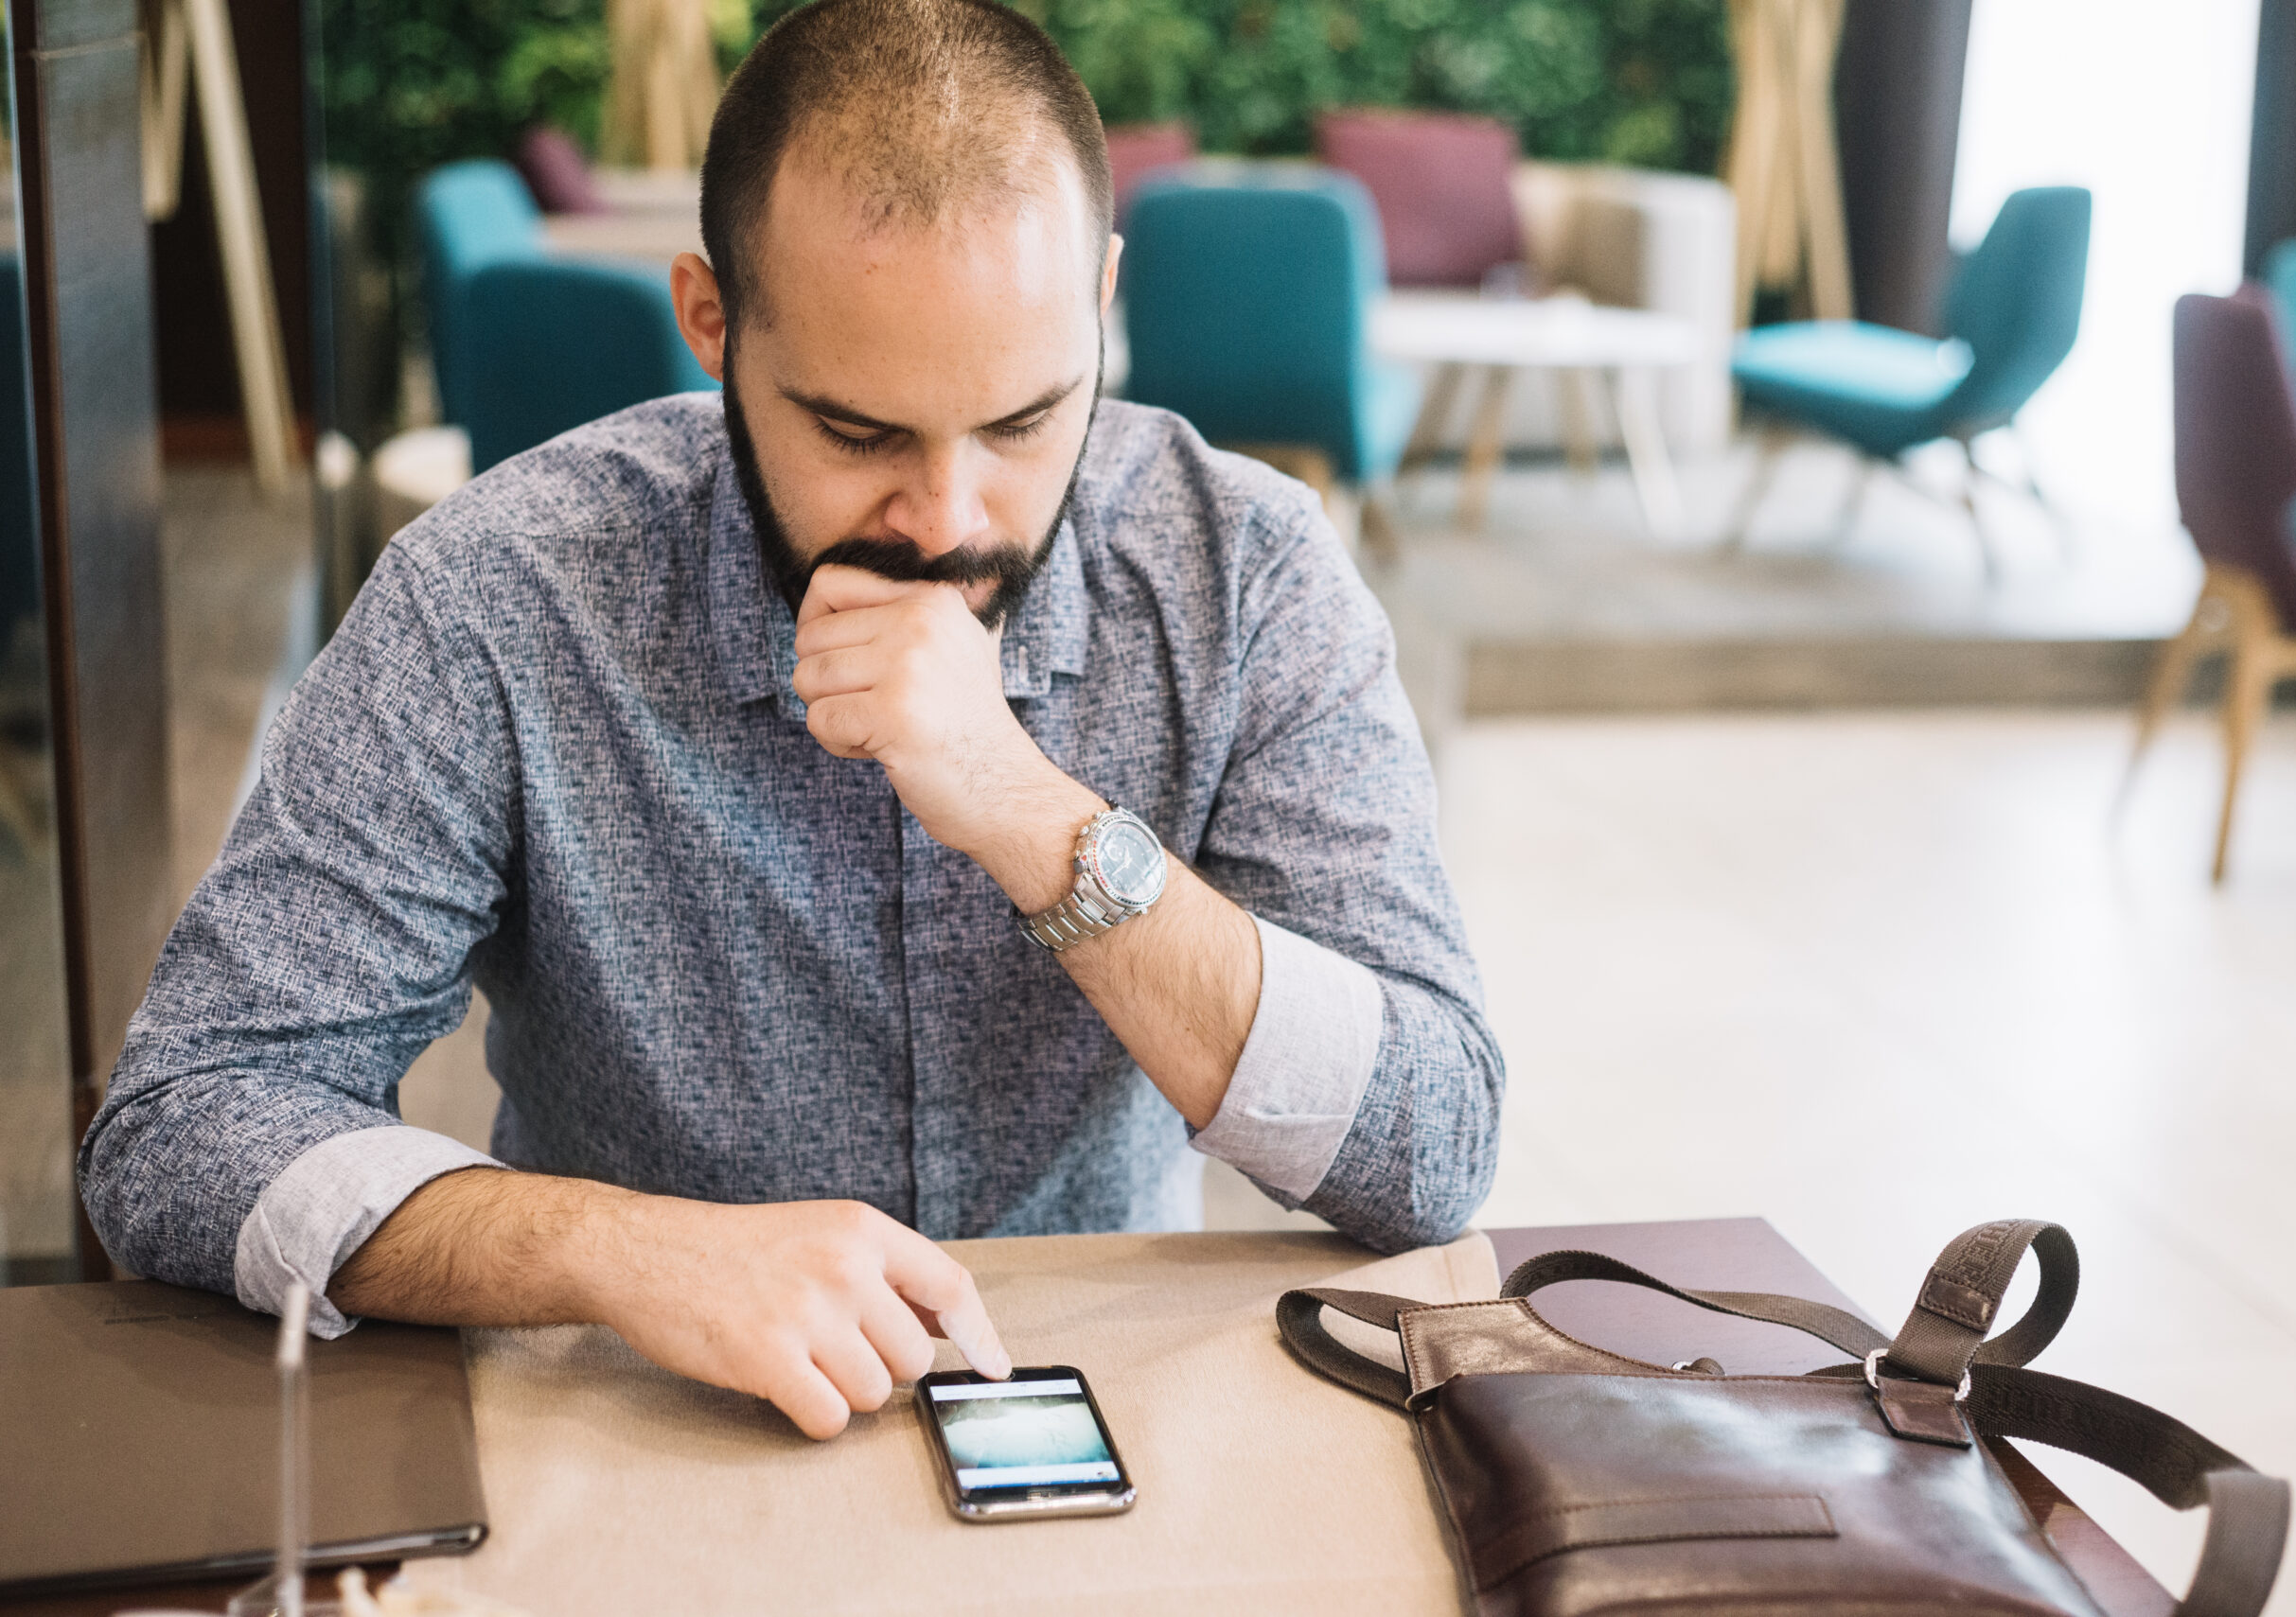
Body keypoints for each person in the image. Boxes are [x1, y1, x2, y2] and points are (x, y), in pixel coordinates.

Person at [79, 0, 1502, 1441]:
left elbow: (1430, 1146)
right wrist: (614, 1249)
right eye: (858, 432)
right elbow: (184, 1121)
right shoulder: (499, 596)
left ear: (1101, 298)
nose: (949, 522)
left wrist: (1030, 811)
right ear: (712, 319)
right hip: (641, 1431)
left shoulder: (1245, 574)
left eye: (1022, 423)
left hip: (1097, 1434)